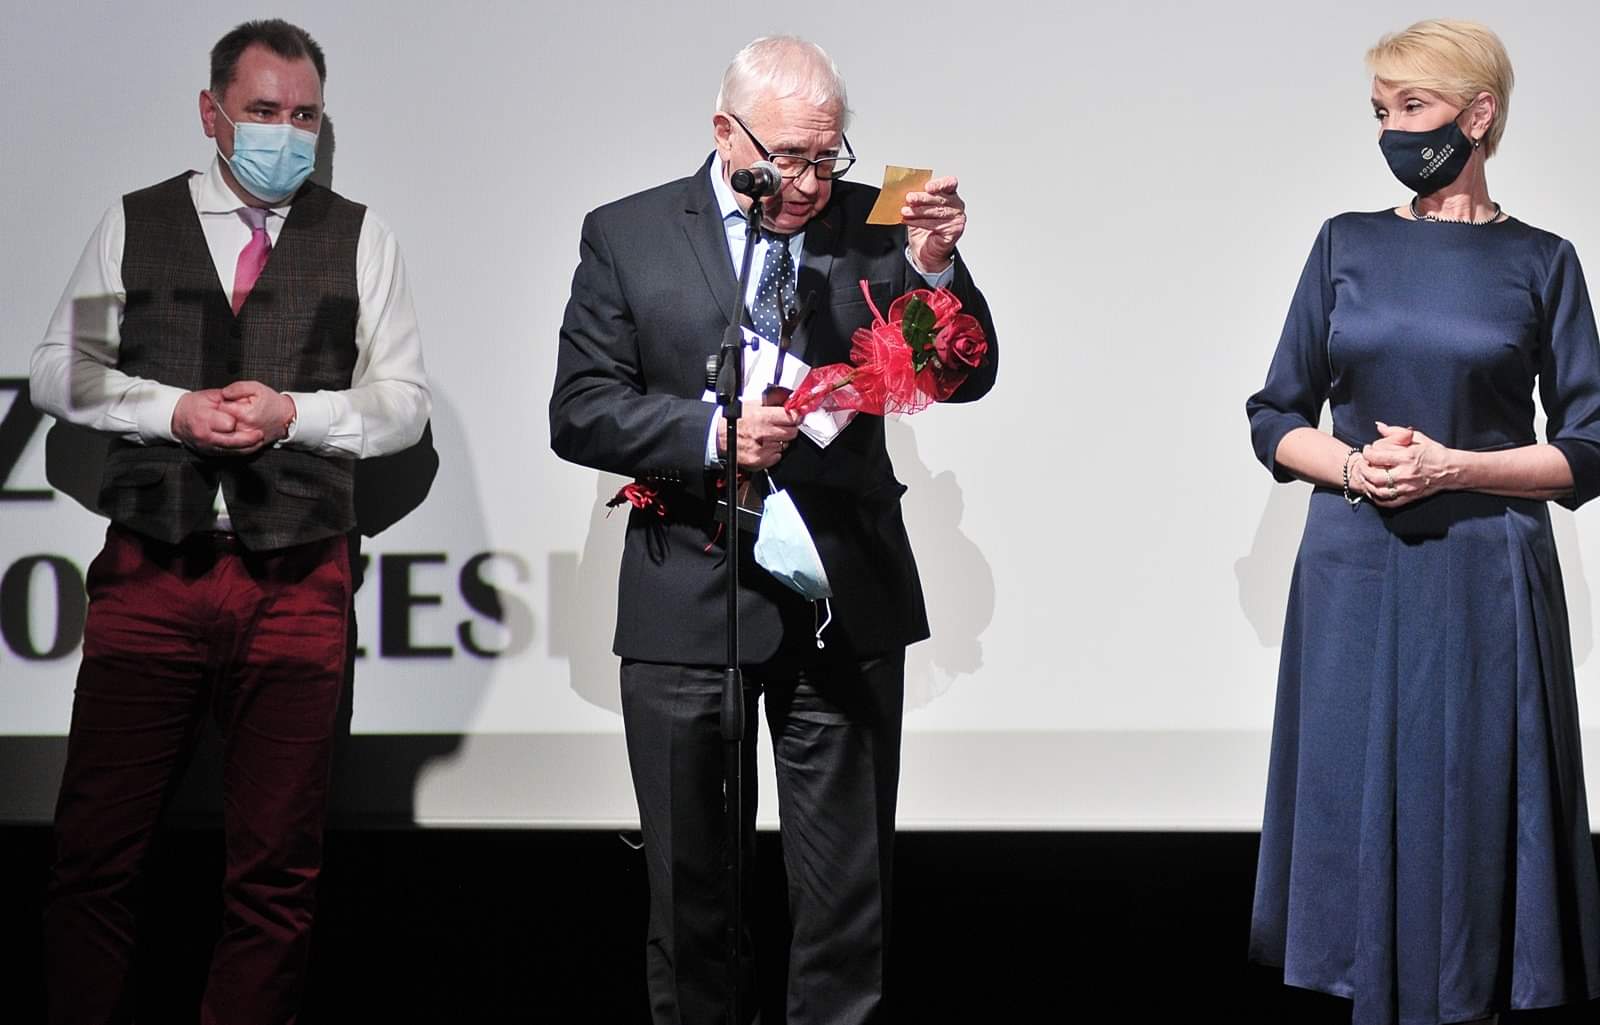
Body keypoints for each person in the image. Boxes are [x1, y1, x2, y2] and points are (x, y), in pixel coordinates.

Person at [550, 34, 997, 1024]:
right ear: (726, 133)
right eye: (788, 157)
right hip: (686, 595)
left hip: (843, 599)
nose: (809, 183)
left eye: (827, 156)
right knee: (693, 898)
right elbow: (579, 411)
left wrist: (934, 270)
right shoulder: (627, 232)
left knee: (845, 902)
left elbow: (959, 377)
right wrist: (712, 432)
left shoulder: (884, 215)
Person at [30, 19, 430, 1025]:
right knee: (94, 855)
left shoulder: (361, 236)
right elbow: (58, 368)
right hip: (151, 573)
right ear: (212, 115)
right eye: (263, 111)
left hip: (297, 581)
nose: (285, 133)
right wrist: (169, 409)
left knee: (275, 874)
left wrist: (300, 414)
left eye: (305, 116)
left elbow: (403, 405)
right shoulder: (136, 223)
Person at [1246, 19, 1600, 1025]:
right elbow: (1274, 416)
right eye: (1379, 111)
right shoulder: (1344, 242)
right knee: (1354, 802)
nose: (1391, 131)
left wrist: (1458, 466)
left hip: (1485, 569)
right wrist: (1357, 467)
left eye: (1412, 106)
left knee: (1470, 809)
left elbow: (1588, 447)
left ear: (1477, 115)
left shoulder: (1542, 260)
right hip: (1354, 568)